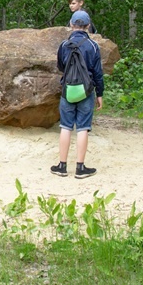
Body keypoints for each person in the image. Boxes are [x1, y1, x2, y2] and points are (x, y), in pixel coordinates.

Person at [51, 10, 104, 179]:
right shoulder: (93, 46)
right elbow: (98, 73)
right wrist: (100, 94)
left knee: (65, 127)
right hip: (86, 91)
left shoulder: (63, 45)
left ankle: (62, 166)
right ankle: (80, 168)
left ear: (71, 25)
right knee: (82, 128)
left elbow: (61, 66)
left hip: (68, 89)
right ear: (88, 26)